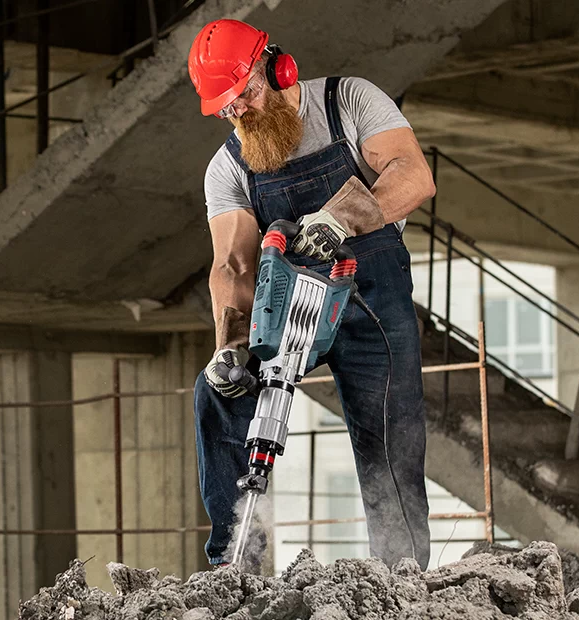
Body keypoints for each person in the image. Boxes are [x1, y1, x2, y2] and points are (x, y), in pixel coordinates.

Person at [187, 18, 436, 569]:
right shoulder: (228, 167)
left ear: (277, 69)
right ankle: (238, 572)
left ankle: (401, 579)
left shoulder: (349, 102)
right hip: (284, 298)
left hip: (371, 292)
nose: (240, 113)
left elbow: (412, 174)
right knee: (220, 396)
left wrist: (342, 217)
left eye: (246, 94)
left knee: (390, 439)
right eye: (226, 109)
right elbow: (232, 262)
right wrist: (229, 344)